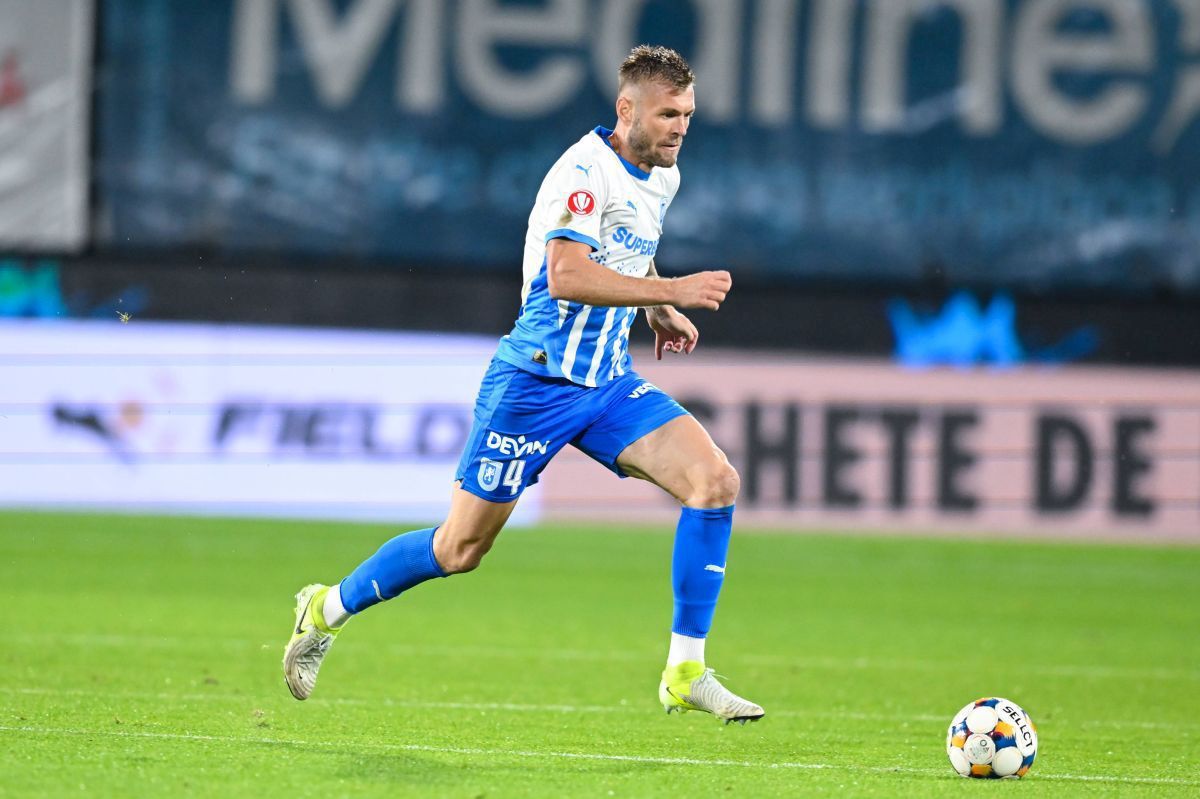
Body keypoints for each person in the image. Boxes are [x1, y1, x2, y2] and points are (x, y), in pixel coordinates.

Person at [283, 44, 764, 725]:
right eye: (667, 114)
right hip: (535, 383)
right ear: (626, 109)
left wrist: (654, 307)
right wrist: (671, 290)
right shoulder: (582, 172)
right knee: (459, 549)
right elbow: (565, 275)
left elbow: (629, 243)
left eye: (687, 114)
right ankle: (325, 607)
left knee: (714, 481)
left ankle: (685, 671)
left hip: (606, 384)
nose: (680, 128)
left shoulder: (663, 173)